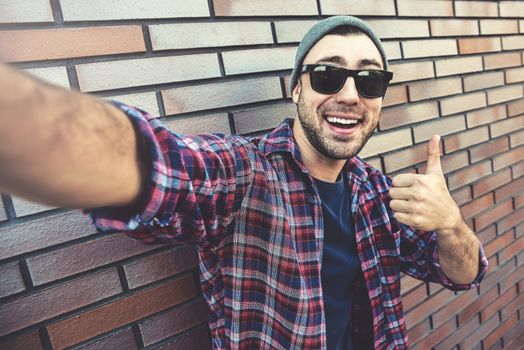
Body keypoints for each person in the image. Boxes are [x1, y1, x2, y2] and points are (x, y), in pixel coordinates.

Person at [0, 15, 487, 350]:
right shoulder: (246, 174)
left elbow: (464, 273)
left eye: (369, 80)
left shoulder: (380, 194)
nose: (348, 94)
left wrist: (450, 224)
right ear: (295, 87)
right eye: (326, 75)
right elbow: (162, 167)